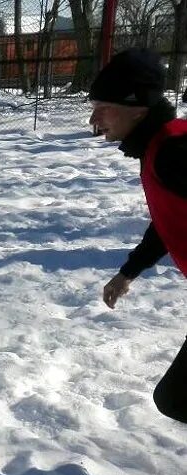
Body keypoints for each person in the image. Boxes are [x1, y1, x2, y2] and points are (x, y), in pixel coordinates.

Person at [92, 49, 187, 421]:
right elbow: (170, 221)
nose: (94, 118)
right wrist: (128, 271)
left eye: (105, 106)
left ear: (138, 108)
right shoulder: (161, 148)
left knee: (177, 398)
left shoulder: (174, 152)